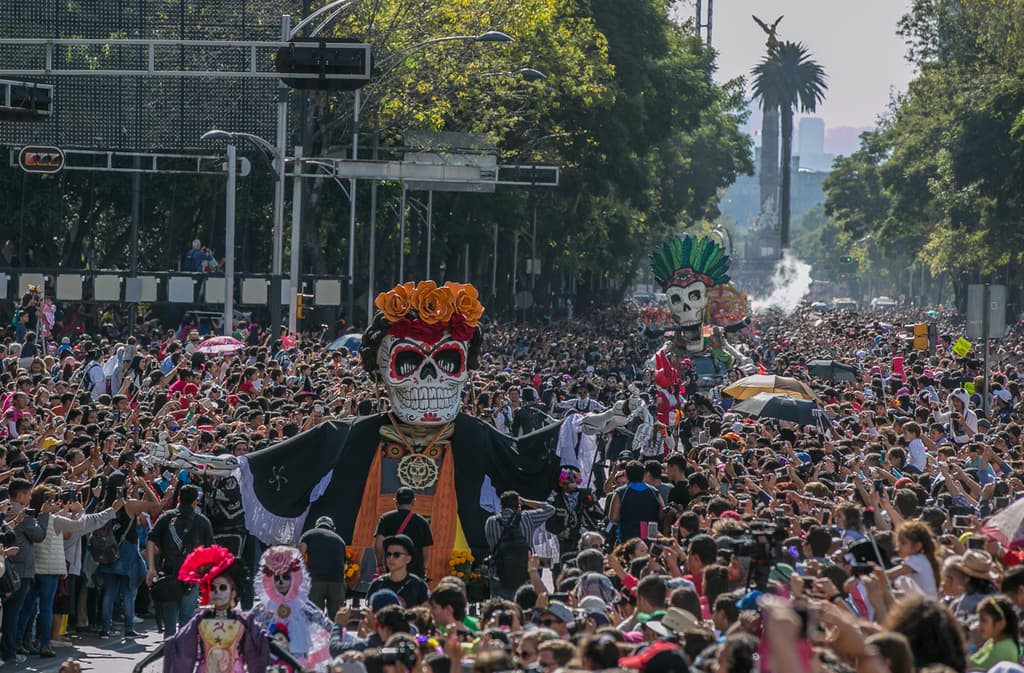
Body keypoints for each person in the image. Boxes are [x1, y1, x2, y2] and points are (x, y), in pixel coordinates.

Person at [131, 545, 302, 673]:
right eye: (213, 588)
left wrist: (298, 666)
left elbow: (268, 643)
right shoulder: (200, 620)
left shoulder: (244, 621)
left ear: (233, 592)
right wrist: (142, 663)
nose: (217, 592)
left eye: (222, 588)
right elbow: (174, 643)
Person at [146, 484, 216, 638]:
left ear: (178, 499)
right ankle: (184, 650)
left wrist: (151, 568)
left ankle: (170, 650)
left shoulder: (166, 517)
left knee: (170, 625)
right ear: (195, 502)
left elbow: (151, 539)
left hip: (169, 576)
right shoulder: (203, 522)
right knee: (186, 621)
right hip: (192, 578)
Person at [249, 545, 333, 670]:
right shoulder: (265, 607)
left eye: (286, 577)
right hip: (273, 658)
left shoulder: (302, 605)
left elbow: (323, 621)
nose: (281, 582)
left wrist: (339, 633)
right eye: (277, 578)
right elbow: (248, 623)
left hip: (300, 659)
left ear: (294, 578)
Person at [484, 490, 554, 599]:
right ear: (519, 506)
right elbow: (550, 509)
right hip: (525, 574)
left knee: (499, 606)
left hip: (498, 574)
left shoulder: (490, 522)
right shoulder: (527, 518)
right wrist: (525, 501)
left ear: (501, 507)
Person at [373, 488, 432, 580]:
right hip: (415, 571)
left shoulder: (385, 518)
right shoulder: (422, 522)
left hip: (393, 567)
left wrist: (380, 564)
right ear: (413, 502)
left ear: (396, 502)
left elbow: (379, 544)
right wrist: (424, 568)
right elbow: (425, 549)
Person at [299, 516, 348, 619]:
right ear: (333, 529)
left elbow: (299, 556)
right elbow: (344, 563)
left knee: (315, 618)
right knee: (337, 618)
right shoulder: (340, 540)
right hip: (337, 581)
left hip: (315, 580)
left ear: (316, 527)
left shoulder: (308, 534)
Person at [607, 460, 664, 543]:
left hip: (628, 537)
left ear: (626, 475)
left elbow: (613, 518)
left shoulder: (620, 492)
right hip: (649, 536)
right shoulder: (654, 491)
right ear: (643, 474)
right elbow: (662, 514)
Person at [366, 535, 429, 607]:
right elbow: (370, 610)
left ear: (408, 559)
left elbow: (426, 612)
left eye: (396, 555)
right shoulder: (377, 584)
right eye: (388, 554)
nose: (391, 558)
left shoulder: (418, 586)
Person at [968, 596, 1021, 671]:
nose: (979, 626)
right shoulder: (991, 642)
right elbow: (972, 660)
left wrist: (970, 643)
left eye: (983, 621)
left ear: (1000, 624)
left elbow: (973, 667)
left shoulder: (1004, 648)